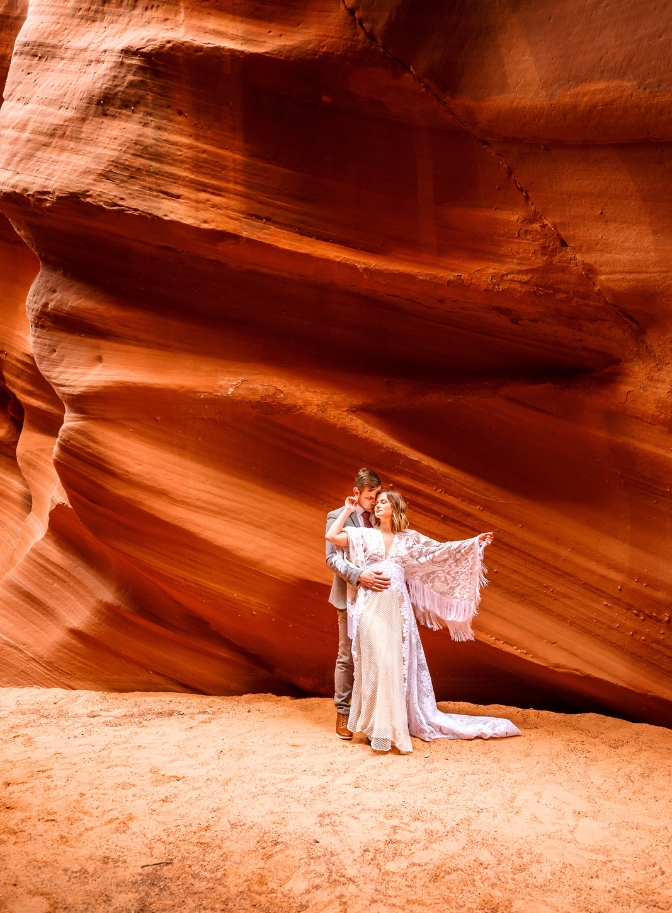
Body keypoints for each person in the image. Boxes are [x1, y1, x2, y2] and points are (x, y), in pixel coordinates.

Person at [326, 488, 520, 752]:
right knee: (374, 661)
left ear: (395, 508)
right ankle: (374, 725)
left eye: (384, 502)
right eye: (377, 502)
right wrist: (348, 509)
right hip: (370, 605)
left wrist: (473, 543)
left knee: (393, 662)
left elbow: (439, 553)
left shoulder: (409, 539)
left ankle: (389, 725)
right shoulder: (365, 535)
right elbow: (332, 536)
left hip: (397, 608)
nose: (378, 506)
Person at [325, 468, 391, 740]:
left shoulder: (379, 516)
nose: (374, 501)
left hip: (378, 598)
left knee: (378, 655)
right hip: (349, 596)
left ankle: (374, 714)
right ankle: (343, 712)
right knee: (346, 656)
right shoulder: (335, 517)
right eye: (369, 496)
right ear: (355, 493)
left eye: (377, 496)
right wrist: (359, 576)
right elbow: (331, 559)